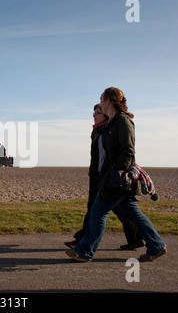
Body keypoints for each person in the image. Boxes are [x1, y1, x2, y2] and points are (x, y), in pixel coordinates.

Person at [66, 87, 167, 262]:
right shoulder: (111, 123)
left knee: (98, 211)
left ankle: (84, 251)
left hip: (118, 179)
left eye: (101, 99)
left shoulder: (122, 121)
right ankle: (156, 245)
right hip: (114, 178)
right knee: (133, 213)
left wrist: (115, 172)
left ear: (109, 101)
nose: (100, 104)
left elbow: (128, 151)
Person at [64, 104, 144, 250]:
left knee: (95, 208)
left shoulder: (108, 129)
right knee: (122, 208)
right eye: (94, 112)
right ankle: (137, 238)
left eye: (97, 112)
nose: (94, 115)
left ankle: (83, 243)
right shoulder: (98, 130)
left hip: (106, 175)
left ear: (105, 115)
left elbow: (123, 151)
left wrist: (114, 171)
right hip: (99, 174)